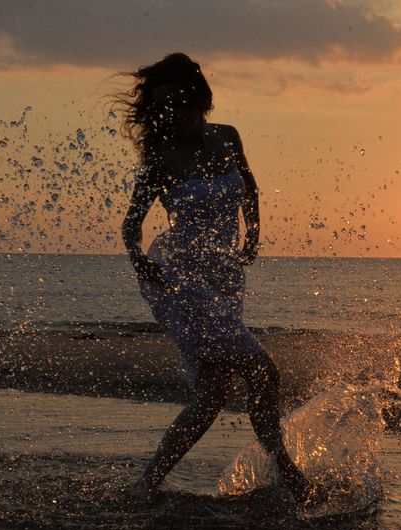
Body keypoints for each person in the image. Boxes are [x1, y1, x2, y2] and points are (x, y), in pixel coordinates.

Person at [117, 53, 312, 502]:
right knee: (263, 372)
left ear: (199, 99)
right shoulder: (162, 158)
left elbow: (250, 186)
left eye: (181, 103)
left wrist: (253, 236)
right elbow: (132, 223)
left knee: (212, 394)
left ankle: (145, 486)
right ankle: (289, 475)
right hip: (183, 279)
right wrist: (137, 260)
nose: (174, 114)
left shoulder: (228, 136)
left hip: (223, 276)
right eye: (166, 107)